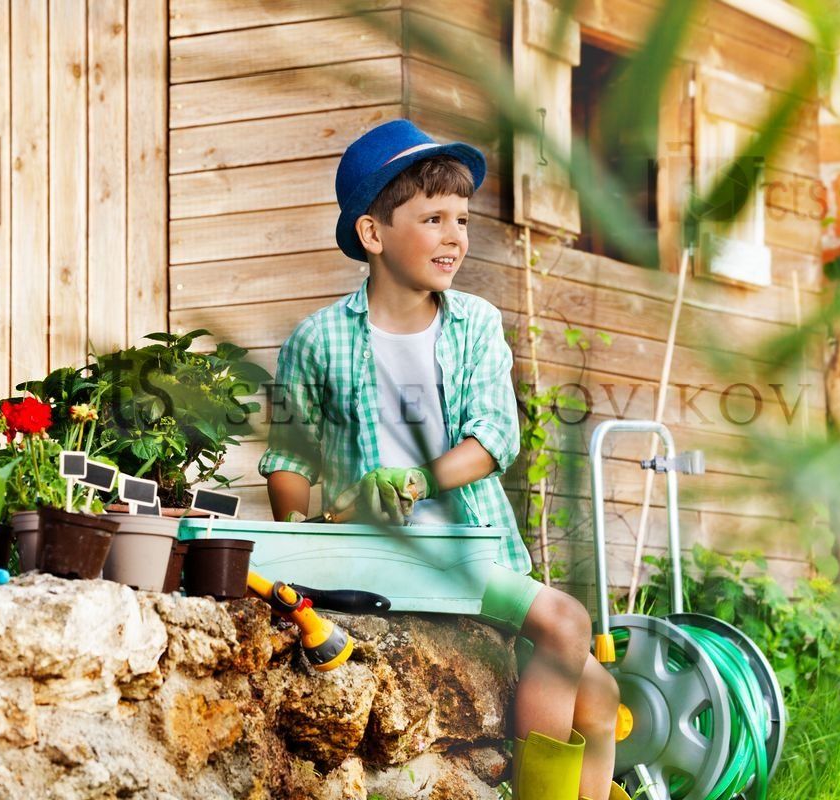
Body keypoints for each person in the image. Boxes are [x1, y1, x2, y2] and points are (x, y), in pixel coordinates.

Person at [258, 119, 629, 800]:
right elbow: (290, 460)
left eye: (462, 217)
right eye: (432, 217)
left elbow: (495, 439)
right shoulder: (316, 342)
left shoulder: (477, 325)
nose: (455, 234)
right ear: (374, 235)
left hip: (469, 557)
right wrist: (305, 546)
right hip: (380, 559)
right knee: (568, 623)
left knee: (599, 693)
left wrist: (419, 478)